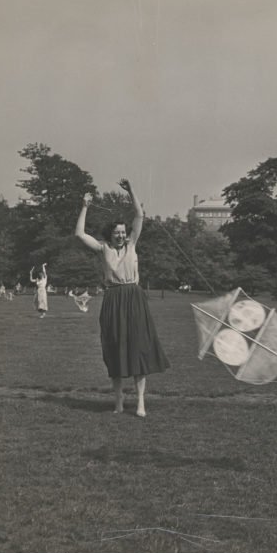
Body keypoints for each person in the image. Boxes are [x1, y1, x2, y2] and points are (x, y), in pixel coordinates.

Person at [75, 178, 169, 417]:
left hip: (134, 298)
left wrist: (131, 190)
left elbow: (139, 215)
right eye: (116, 232)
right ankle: (118, 403)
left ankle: (140, 403)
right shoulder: (102, 248)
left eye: (123, 232)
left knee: (138, 348)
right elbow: (79, 234)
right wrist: (85, 206)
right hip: (113, 299)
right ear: (110, 234)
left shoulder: (132, 245)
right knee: (114, 348)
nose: (120, 235)